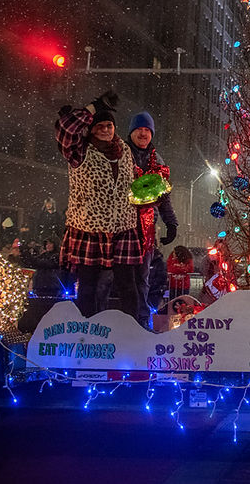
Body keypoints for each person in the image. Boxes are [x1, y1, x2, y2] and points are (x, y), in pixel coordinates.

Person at [55, 90, 141, 319]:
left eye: (109, 126)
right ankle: (88, 330)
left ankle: (132, 330)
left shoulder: (125, 152)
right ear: (91, 128)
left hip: (123, 227)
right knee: (88, 287)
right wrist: (94, 106)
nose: (105, 129)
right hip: (88, 228)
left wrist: (152, 194)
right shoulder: (79, 150)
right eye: (100, 125)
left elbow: (135, 185)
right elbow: (64, 129)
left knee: (127, 286)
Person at [124, 111, 178, 326]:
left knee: (142, 277)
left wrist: (171, 222)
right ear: (131, 132)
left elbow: (164, 197)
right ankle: (121, 321)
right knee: (121, 277)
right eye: (139, 130)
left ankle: (140, 322)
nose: (143, 134)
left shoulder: (158, 162)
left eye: (147, 130)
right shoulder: (121, 154)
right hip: (122, 225)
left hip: (146, 228)